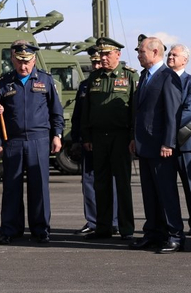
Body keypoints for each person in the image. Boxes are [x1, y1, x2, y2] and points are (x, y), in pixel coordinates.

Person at [0, 40, 64, 245]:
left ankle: (41, 230)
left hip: (39, 140)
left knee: (39, 187)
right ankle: (10, 230)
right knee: (11, 187)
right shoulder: (3, 83)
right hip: (13, 141)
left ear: (34, 60)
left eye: (27, 61)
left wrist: (57, 135)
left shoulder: (46, 81)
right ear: (12, 59)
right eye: (19, 61)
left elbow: (56, 112)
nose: (24, 66)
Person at [129, 37, 185, 254]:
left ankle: (175, 235)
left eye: (141, 51)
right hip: (145, 145)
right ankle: (153, 233)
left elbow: (173, 113)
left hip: (162, 146)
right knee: (150, 193)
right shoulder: (144, 76)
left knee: (166, 192)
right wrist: (134, 137)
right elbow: (140, 112)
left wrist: (168, 142)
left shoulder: (167, 77)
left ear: (154, 52)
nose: (138, 55)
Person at [81, 37, 138, 241]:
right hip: (98, 137)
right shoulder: (94, 77)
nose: (103, 58)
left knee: (122, 184)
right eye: (101, 54)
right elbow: (87, 109)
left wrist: (133, 137)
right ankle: (103, 227)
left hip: (121, 137)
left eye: (107, 54)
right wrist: (86, 136)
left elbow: (134, 110)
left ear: (117, 55)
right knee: (101, 183)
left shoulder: (130, 76)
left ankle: (126, 228)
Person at [70, 46, 118, 235]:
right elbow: (78, 115)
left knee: (112, 180)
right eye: (94, 63)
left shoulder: (117, 81)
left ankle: (113, 221)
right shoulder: (85, 84)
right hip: (89, 140)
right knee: (88, 181)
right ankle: (92, 221)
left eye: (99, 61)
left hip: (110, 139)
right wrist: (76, 139)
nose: (97, 65)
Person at [167, 44, 191, 235]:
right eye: (169, 54)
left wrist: (168, 131)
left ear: (185, 60)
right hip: (165, 143)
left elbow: (190, 111)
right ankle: (172, 225)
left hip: (185, 141)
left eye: (175, 54)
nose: (170, 57)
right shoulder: (162, 80)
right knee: (167, 186)